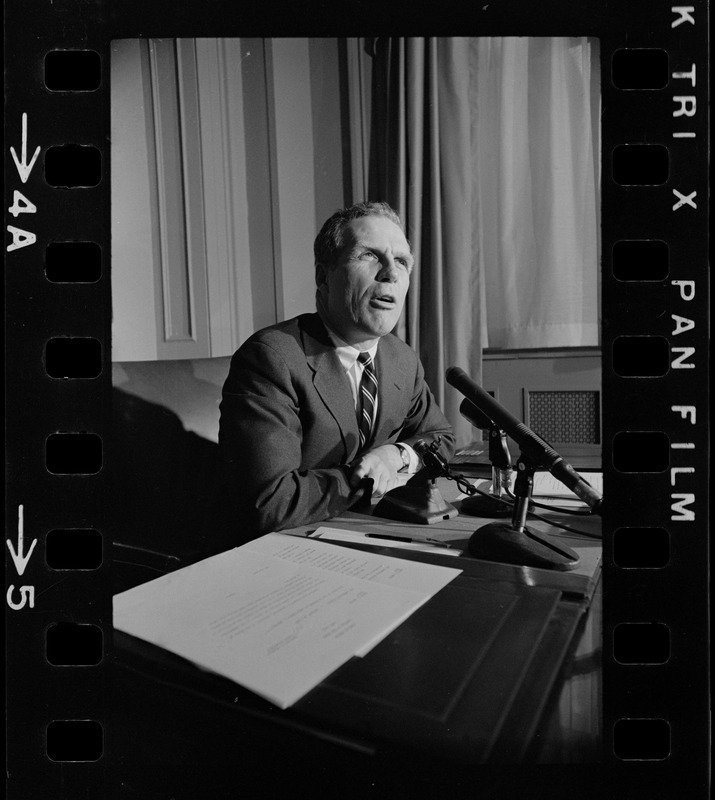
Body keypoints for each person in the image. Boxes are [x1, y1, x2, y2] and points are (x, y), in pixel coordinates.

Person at [218, 201, 455, 537]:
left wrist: (396, 456)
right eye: (370, 256)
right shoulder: (272, 358)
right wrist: (367, 477)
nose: (391, 272)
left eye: (401, 261)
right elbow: (270, 503)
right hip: (284, 553)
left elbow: (441, 438)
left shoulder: (401, 359)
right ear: (323, 275)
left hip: (368, 533)